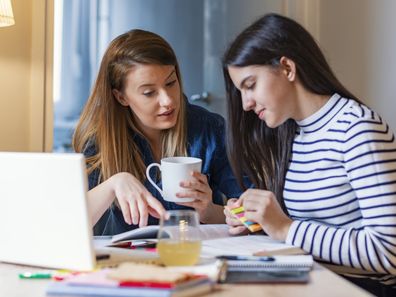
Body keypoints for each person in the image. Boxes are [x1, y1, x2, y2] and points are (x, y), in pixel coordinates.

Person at [222, 13, 396, 296]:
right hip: (311, 279)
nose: (245, 104)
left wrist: (284, 228)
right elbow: (312, 230)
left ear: (287, 68)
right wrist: (257, 220)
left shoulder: (357, 129)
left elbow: (389, 252)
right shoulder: (294, 133)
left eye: (250, 85)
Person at [72, 29, 244, 236]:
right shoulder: (101, 140)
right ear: (121, 97)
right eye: (149, 92)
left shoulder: (209, 129)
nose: (168, 100)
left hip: (196, 255)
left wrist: (209, 211)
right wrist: (113, 184)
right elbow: (67, 225)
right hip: (129, 260)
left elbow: (250, 212)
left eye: (171, 83)